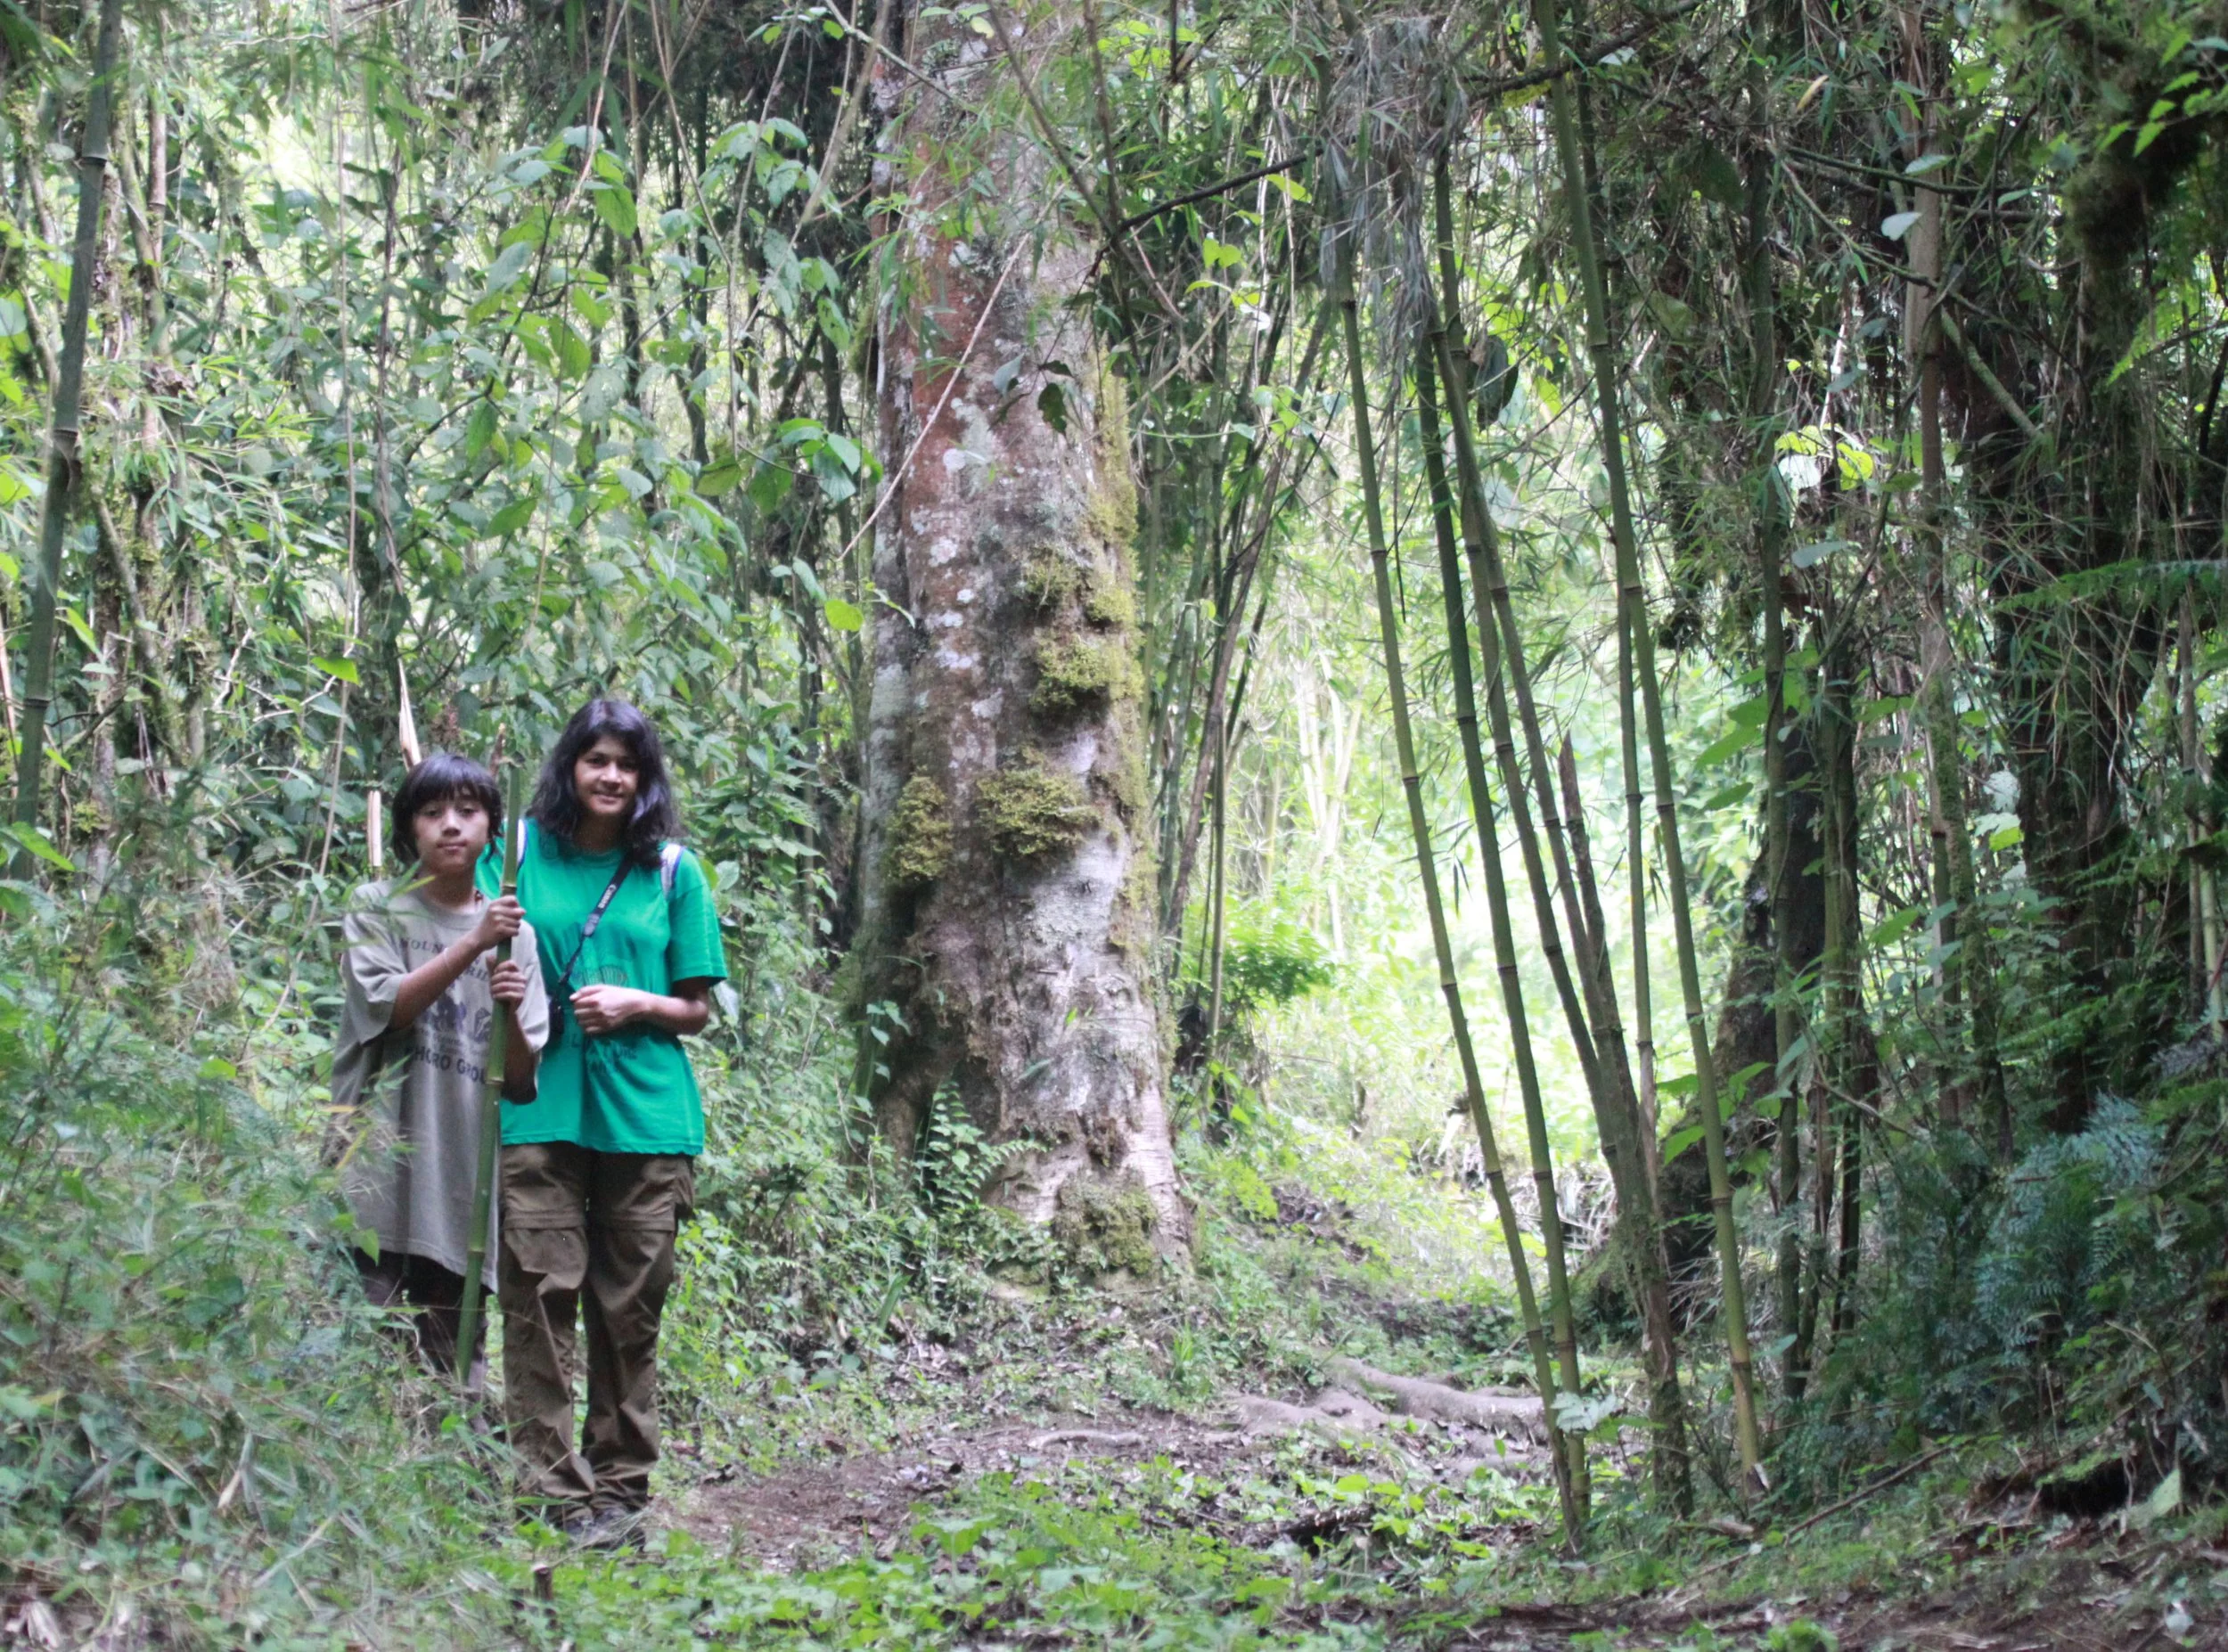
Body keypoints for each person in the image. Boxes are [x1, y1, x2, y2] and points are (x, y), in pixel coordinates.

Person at [497, 698, 725, 1550]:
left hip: (646, 1118)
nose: (612, 777)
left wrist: (637, 1002)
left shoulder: (672, 870)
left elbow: (696, 1009)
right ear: (570, 766)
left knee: (629, 1311)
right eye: (596, 759)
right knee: (538, 1298)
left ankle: (622, 1490)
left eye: (628, 764)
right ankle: (551, 1492)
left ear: (646, 778)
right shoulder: (518, 851)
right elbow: (465, 925)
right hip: (537, 1107)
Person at [332, 752, 548, 1390]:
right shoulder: (377, 906)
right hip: (373, 1181)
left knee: (451, 1376)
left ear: (492, 830)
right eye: (432, 812)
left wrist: (509, 1009)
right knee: (357, 1369)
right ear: (409, 828)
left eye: (468, 811)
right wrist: (472, 943)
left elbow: (522, 1081)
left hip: (461, 1190)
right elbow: (388, 1008)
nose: (451, 825)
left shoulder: (518, 937)